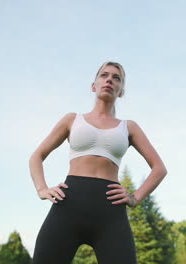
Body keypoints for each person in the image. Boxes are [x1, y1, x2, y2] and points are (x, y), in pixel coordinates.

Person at [29, 61, 167, 264]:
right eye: (104, 75)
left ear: (121, 91)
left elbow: (159, 168)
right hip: (68, 206)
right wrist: (42, 189)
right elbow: (37, 156)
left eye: (116, 77)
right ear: (94, 86)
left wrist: (134, 198)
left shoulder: (129, 127)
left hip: (110, 212)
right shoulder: (72, 120)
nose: (110, 79)